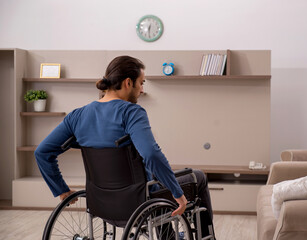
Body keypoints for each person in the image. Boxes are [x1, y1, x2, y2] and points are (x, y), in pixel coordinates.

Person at [35, 55, 214, 238]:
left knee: (155, 177)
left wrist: (62, 190)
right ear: (128, 82)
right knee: (196, 176)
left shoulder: (77, 115)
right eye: (141, 83)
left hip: (100, 203)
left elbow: (42, 152)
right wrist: (178, 193)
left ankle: (168, 236)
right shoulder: (131, 112)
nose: (142, 90)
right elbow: (151, 155)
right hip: (137, 203)